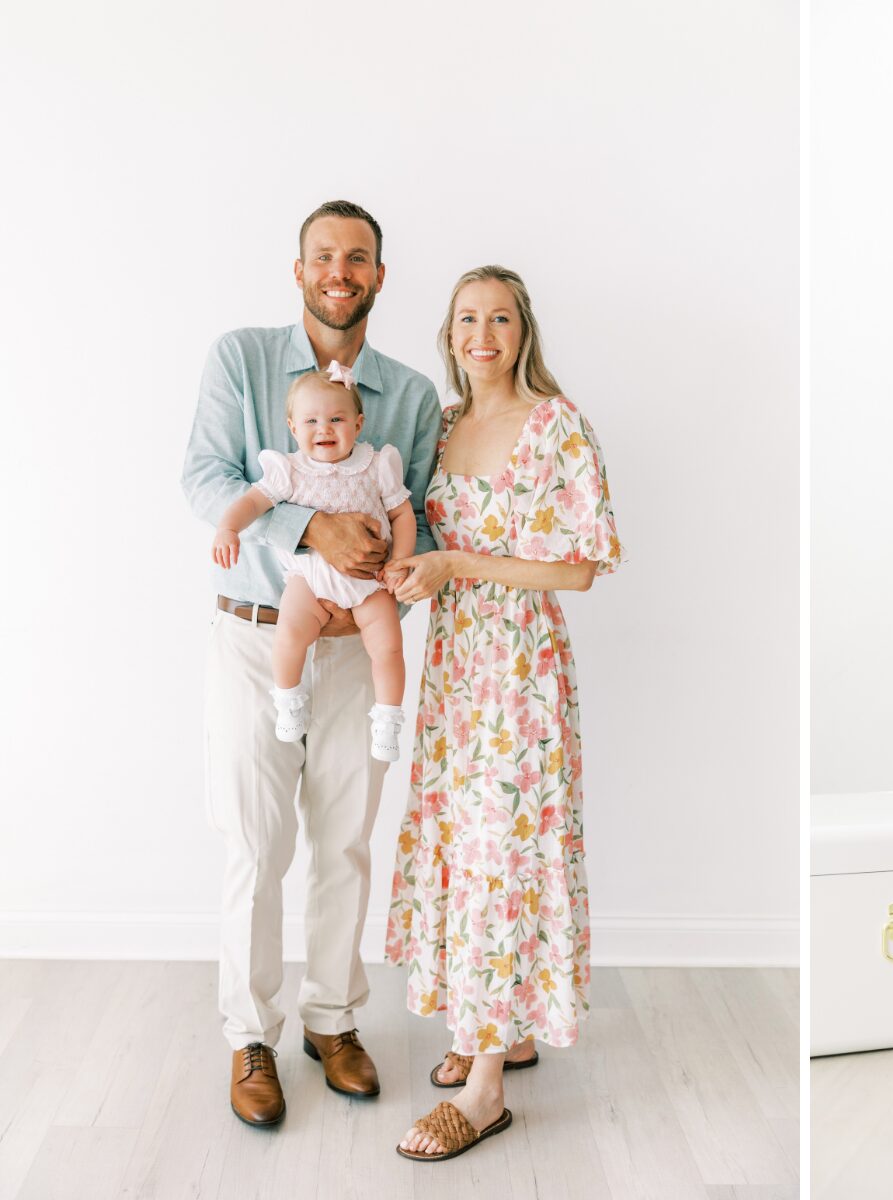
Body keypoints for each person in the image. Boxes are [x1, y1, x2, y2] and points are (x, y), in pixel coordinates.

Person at [181, 200, 443, 1126]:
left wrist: (395, 571)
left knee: (344, 843)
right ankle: (251, 1034)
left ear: (379, 276)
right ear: (299, 271)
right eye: (324, 257)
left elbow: (423, 510)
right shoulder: (241, 359)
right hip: (262, 637)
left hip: (359, 649)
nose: (341, 271)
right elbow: (207, 477)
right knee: (256, 845)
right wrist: (308, 524)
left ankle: (333, 1021)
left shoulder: (410, 394)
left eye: (359, 258)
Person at [383, 265, 622, 1162]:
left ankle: (484, 1090)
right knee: (463, 846)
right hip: (453, 667)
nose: (482, 334)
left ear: (525, 333)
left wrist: (459, 569)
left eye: (501, 319)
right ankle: (502, 1029)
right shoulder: (441, 429)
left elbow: (580, 567)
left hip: (519, 667)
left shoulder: (557, 426)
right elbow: (423, 539)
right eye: (466, 319)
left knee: (504, 852)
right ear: (448, 335)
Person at [211, 364, 413, 760]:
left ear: (358, 423)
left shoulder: (376, 465)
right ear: (292, 427)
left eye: (336, 419)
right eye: (311, 421)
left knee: (388, 647)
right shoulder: (290, 471)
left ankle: (388, 717)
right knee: (290, 633)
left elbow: (403, 514)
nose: (324, 429)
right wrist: (228, 529)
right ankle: (288, 698)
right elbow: (252, 501)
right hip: (309, 578)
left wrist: (400, 562)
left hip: (371, 581)